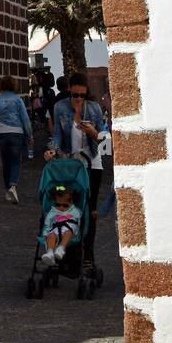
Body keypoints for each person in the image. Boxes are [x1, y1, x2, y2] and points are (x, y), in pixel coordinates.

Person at [45, 71, 107, 261]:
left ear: (86, 93)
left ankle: (88, 256)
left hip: (92, 161)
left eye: (82, 95)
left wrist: (94, 132)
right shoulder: (60, 107)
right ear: (69, 91)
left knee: (90, 210)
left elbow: (105, 140)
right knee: (68, 204)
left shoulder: (94, 109)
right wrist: (52, 150)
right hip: (70, 162)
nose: (78, 99)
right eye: (75, 95)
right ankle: (67, 249)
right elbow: (56, 134)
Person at [0, 74, 32, 204]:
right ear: (14, 85)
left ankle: (8, 189)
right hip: (17, 133)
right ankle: (13, 186)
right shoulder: (18, 100)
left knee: (6, 163)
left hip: (2, 133)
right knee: (16, 161)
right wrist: (30, 135)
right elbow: (25, 119)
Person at [40, 184, 81, 267]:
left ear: (71, 202)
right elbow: (47, 223)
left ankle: (60, 249)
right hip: (55, 229)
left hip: (69, 228)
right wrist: (45, 232)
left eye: (65, 205)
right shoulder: (53, 211)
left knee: (68, 233)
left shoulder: (75, 211)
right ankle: (50, 253)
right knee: (50, 236)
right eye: (58, 205)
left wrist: (79, 228)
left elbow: (79, 219)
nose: (61, 208)